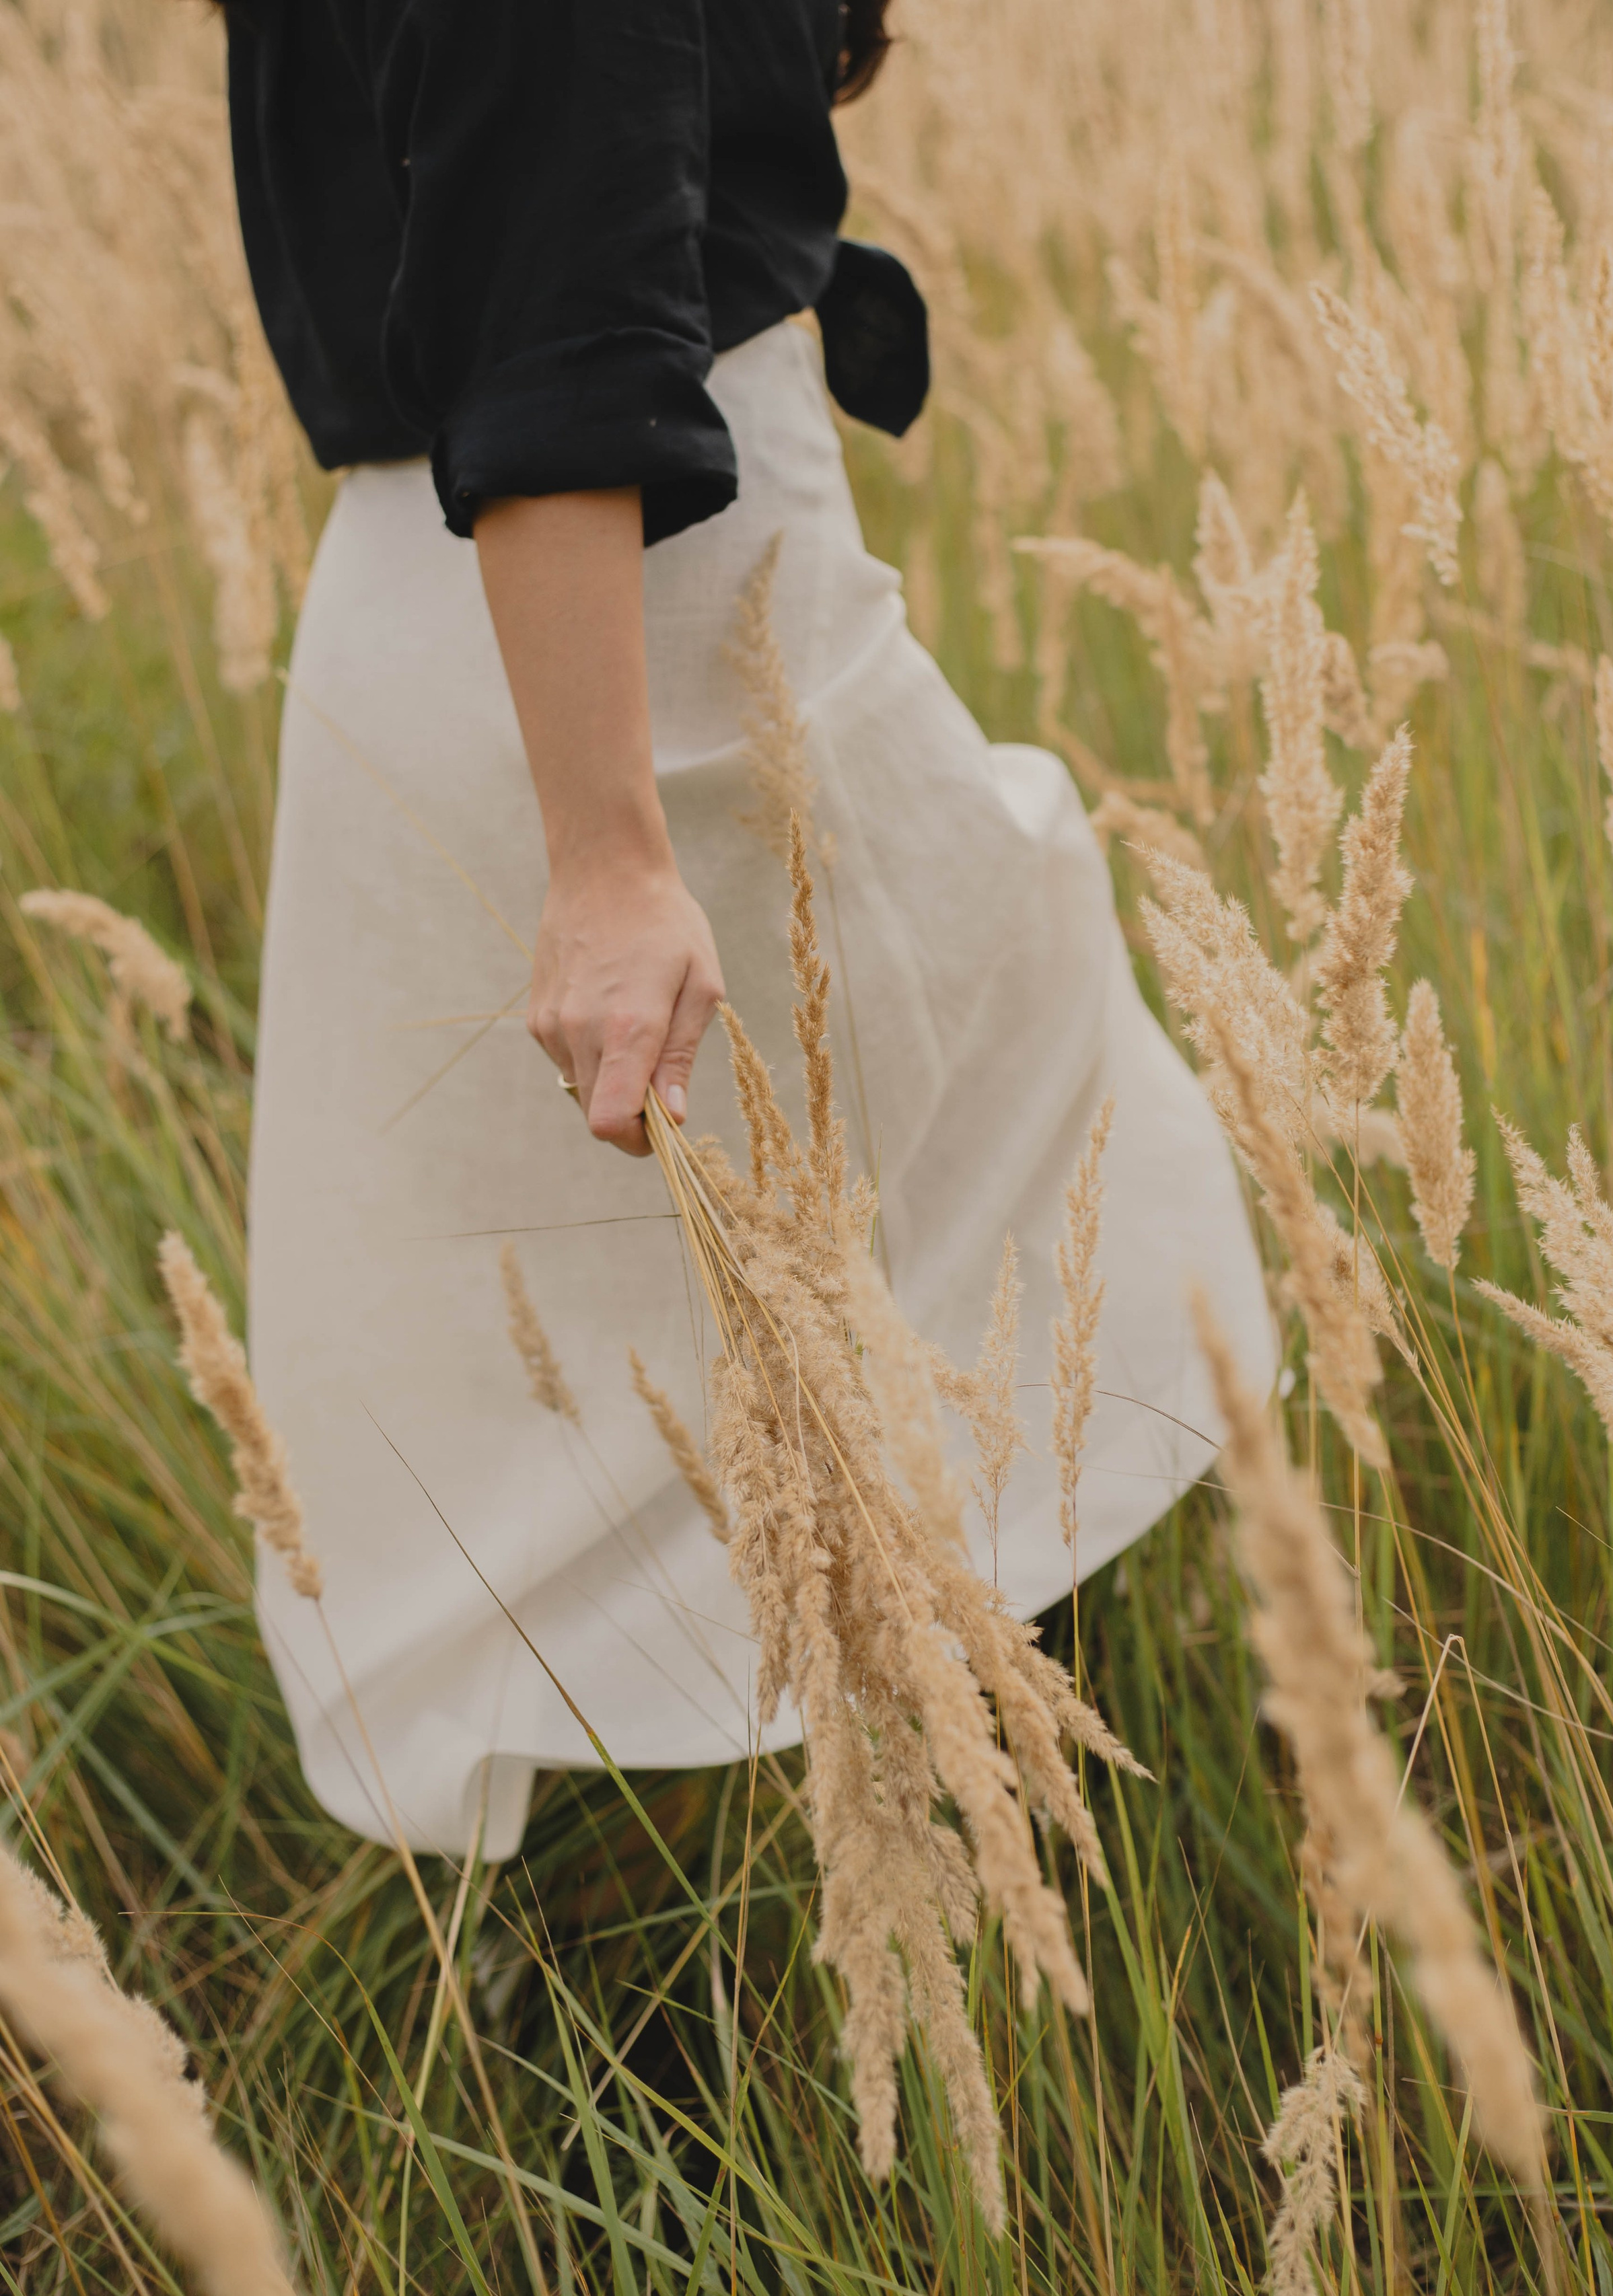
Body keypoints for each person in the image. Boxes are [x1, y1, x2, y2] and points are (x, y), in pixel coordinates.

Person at [226, 0, 1275, 1859]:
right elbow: (555, 279)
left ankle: (722, 1907)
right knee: (976, 1231)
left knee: (609, 1374)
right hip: (631, 634)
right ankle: (971, 1872)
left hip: (446, 602)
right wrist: (609, 855)